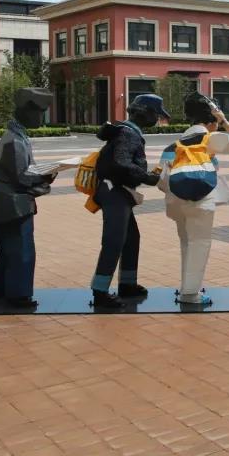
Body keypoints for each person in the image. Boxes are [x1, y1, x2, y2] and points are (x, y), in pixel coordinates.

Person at [158, 92, 229, 305]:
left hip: (176, 201)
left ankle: (186, 286)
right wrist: (223, 120)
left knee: (186, 243)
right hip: (201, 200)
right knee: (200, 243)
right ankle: (191, 293)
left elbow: (160, 180)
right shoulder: (210, 139)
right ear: (211, 120)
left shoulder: (174, 145)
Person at [90, 94, 167, 309]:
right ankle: (100, 291)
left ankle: (127, 283)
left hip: (118, 191)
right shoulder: (129, 133)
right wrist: (146, 177)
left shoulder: (126, 131)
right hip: (115, 192)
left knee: (131, 238)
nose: (157, 119)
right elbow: (121, 162)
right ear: (145, 113)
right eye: (156, 114)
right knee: (114, 241)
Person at [0, 87, 56, 309]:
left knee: (7, 251)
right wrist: (46, 175)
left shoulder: (16, 135)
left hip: (4, 203)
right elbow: (21, 176)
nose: (40, 118)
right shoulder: (14, 140)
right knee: (20, 251)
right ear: (26, 112)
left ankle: (1, 290)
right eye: (39, 113)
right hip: (12, 205)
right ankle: (18, 295)